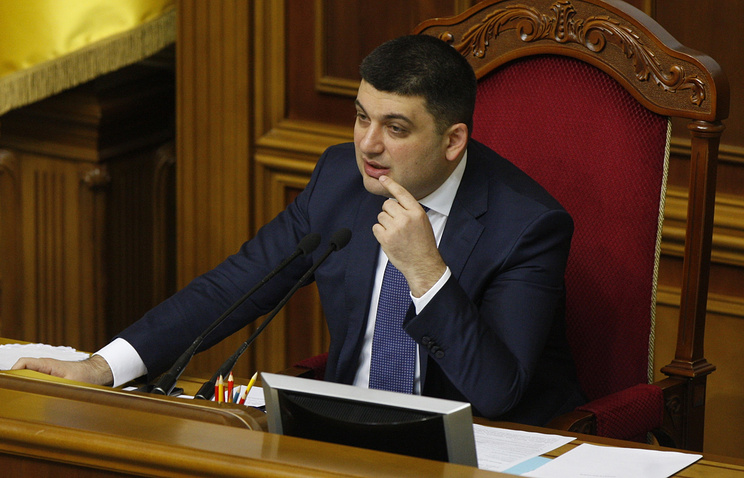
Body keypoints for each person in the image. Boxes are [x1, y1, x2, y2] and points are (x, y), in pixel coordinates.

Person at [13, 34, 584, 425]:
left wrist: (427, 273)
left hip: (479, 448)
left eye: (395, 128)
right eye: (361, 117)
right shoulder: (340, 180)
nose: (368, 145)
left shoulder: (526, 226)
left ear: (453, 140)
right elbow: (233, 287)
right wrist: (102, 366)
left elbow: (497, 392)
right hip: (342, 434)